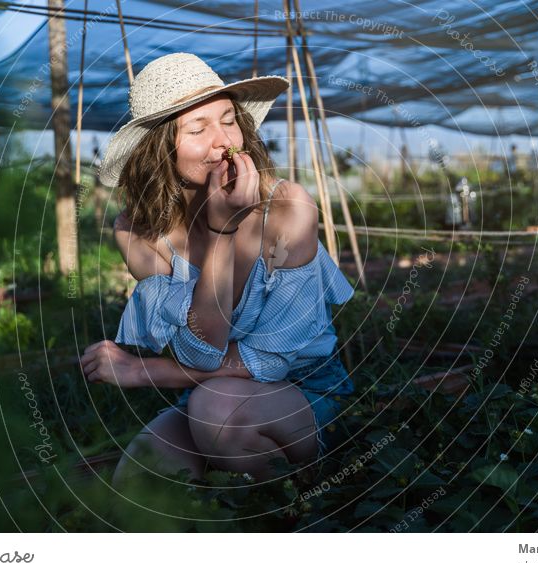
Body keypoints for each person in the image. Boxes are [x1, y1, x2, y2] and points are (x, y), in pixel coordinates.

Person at [79, 53, 356, 484]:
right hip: (208, 385)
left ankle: (305, 504)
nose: (224, 140)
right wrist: (221, 233)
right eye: (197, 128)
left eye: (229, 119)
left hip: (303, 388)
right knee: (138, 477)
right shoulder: (139, 231)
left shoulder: (287, 210)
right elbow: (200, 352)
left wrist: (141, 371)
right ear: (159, 151)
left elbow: (269, 364)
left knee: (218, 412)